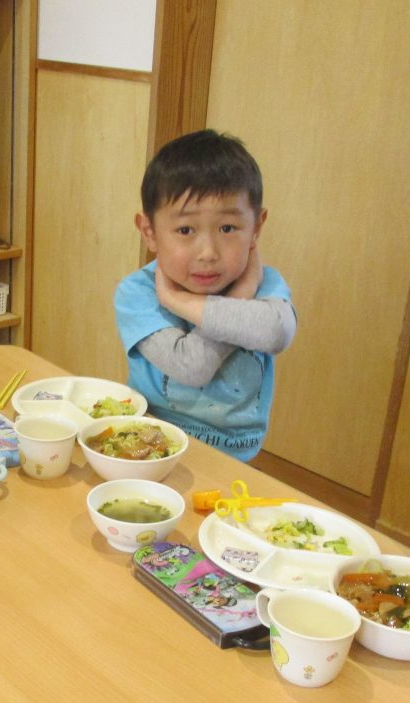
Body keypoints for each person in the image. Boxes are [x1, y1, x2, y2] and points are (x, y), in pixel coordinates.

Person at [113, 129, 296, 462]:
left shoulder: (265, 283)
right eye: (185, 230)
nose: (208, 253)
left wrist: (180, 301)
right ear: (149, 232)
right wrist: (239, 299)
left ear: (256, 227)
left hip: (234, 460)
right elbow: (192, 367)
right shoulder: (138, 292)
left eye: (227, 228)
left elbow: (276, 333)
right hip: (149, 448)